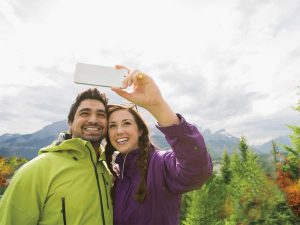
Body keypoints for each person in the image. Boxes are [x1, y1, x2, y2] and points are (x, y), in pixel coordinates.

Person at [105, 65, 213, 225]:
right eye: (112, 126)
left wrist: (157, 104)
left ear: (140, 130)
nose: (119, 130)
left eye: (126, 123)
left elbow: (197, 170)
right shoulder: (114, 175)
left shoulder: (160, 164)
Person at [0, 88, 113, 225]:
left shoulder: (108, 170)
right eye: (85, 113)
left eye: (101, 115)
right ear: (70, 123)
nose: (94, 120)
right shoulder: (36, 170)